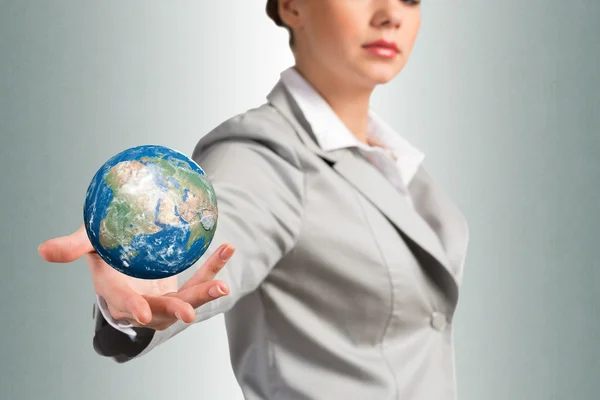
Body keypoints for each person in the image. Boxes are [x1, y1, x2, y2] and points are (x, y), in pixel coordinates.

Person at [38, 0, 470, 398]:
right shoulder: (262, 153)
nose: (390, 13)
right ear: (292, 6)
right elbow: (229, 221)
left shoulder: (401, 166)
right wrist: (145, 284)